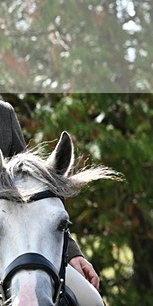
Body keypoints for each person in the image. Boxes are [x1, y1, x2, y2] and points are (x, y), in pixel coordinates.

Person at [0, 99, 104, 306]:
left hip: (8, 246)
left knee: (91, 300)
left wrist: (71, 253)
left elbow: (33, 192)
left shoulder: (4, 114)